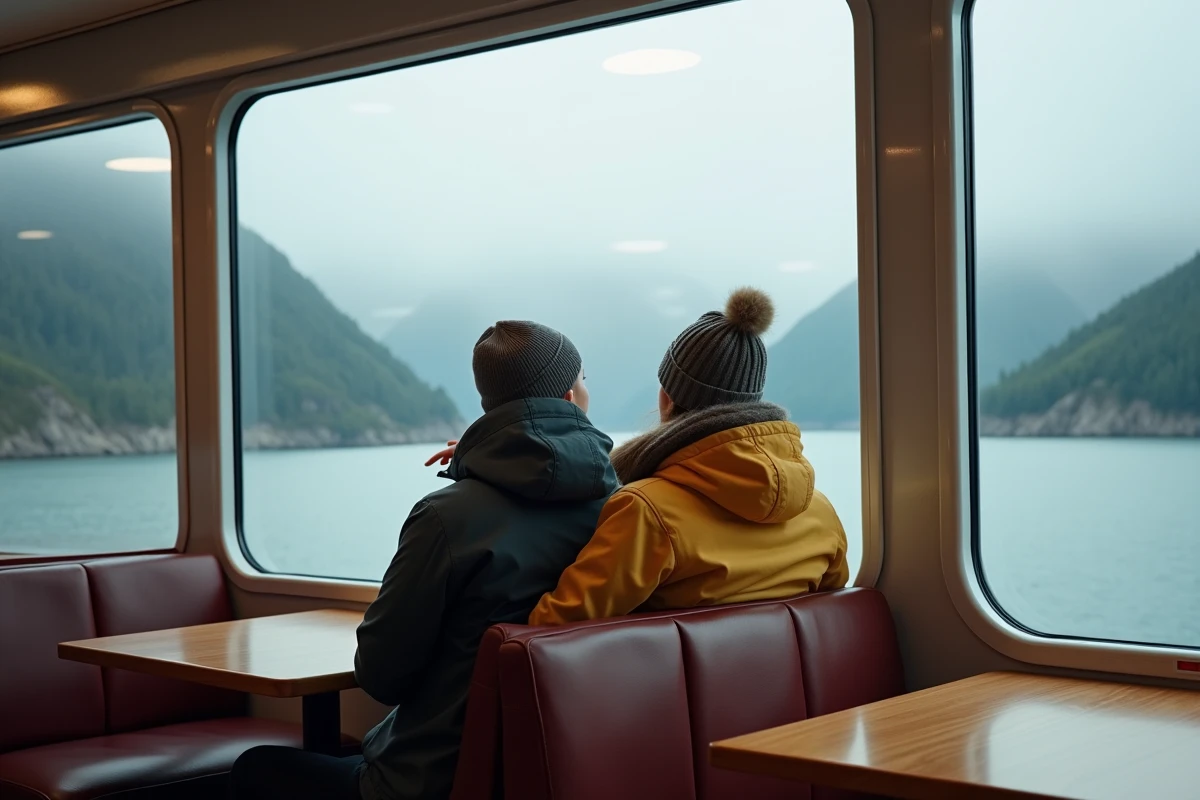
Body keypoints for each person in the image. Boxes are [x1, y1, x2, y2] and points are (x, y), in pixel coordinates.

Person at [230, 321, 618, 800]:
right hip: (555, 772)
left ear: (487, 405)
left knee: (255, 767)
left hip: (428, 782)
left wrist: (480, 457)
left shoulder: (446, 518)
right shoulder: (621, 509)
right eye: (585, 378)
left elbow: (380, 674)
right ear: (567, 396)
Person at [527, 287, 848, 626]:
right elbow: (829, 609)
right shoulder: (820, 512)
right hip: (789, 679)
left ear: (667, 399)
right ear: (754, 402)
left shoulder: (646, 512)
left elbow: (553, 627)